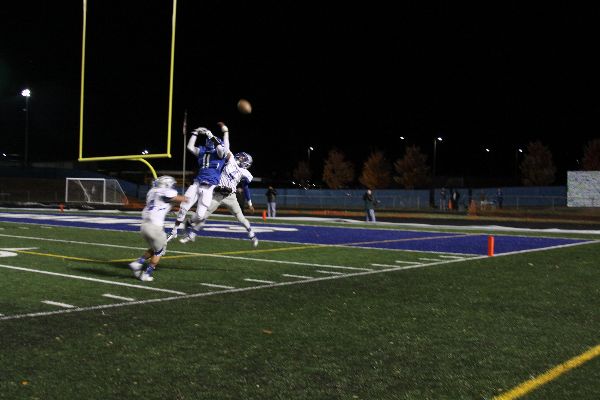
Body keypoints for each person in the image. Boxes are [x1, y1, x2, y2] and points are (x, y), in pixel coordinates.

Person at [180, 151, 259, 247]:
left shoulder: (246, 173)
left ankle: (252, 236)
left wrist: (250, 204)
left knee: (240, 217)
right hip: (216, 194)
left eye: (242, 158)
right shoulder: (230, 160)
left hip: (230, 196)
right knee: (203, 216)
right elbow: (224, 153)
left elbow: (245, 187)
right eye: (240, 157)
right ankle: (191, 233)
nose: (240, 158)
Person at [167, 122, 229, 242]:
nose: (209, 142)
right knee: (183, 208)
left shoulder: (220, 154)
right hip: (197, 184)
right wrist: (195, 133)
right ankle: (173, 231)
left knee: (200, 215)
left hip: (209, 187)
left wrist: (211, 136)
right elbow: (190, 147)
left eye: (211, 141)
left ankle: (188, 222)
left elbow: (221, 149)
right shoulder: (202, 151)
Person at [128, 176, 187, 282]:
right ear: (167, 185)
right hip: (155, 227)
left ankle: (138, 262)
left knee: (156, 247)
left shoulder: (151, 192)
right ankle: (146, 274)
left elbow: (163, 203)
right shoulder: (166, 191)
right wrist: (187, 198)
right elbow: (176, 198)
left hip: (144, 226)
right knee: (160, 251)